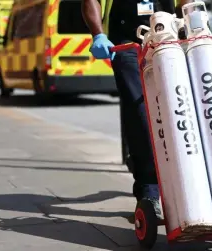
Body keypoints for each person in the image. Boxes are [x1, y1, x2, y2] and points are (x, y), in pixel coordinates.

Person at [81, 0, 192, 220]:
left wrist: (190, 26)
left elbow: (185, 2)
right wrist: (97, 34)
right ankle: (149, 189)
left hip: (166, 38)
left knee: (176, 107)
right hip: (126, 44)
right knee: (140, 109)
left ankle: (185, 180)